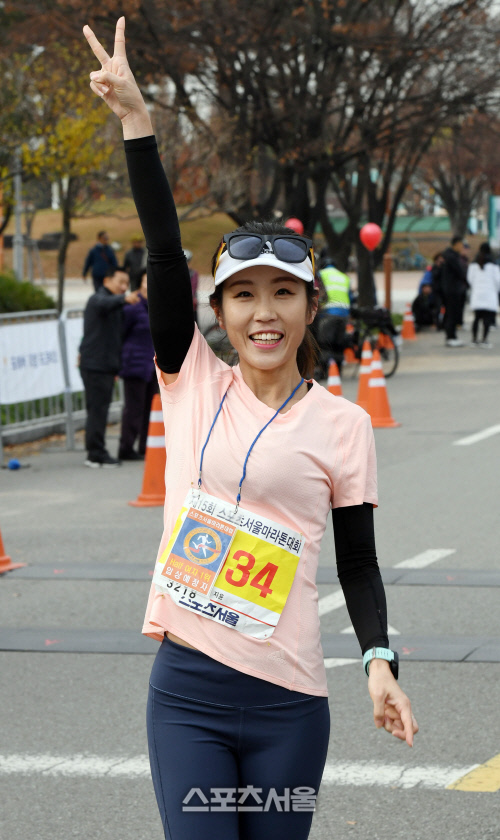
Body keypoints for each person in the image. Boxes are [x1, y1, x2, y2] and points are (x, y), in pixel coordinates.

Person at [84, 18, 418, 839]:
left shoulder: (343, 424)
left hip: (291, 704)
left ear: (311, 309)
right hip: (189, 695)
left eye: (282, 294)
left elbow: (361, 566)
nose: (263, 313)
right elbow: (164, 250)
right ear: (221, 312)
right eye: (243, 295)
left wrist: (379, 664)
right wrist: (138, 124)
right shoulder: (190, 378)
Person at [79, 265, 140, 466]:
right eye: (120, 282)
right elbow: (104, 303)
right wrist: (124, 298)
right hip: (95, 365)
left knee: (100, 409)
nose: (124, 287)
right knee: (98, 410)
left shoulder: (115, 305)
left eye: (126, 284)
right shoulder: (98, 299)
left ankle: (96, 452)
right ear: (106, 281)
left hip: (105, 365)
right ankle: (95, 454)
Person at [118, 269, 158, 459]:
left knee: (150, 408)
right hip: (134, 363)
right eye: (146, 279)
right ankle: (126, 447)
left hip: (153, 365)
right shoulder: (132, 307)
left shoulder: (157, 305)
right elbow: (120, 334)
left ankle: (145, 446)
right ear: (140, 283)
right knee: (134, 409)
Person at [316, 255, 351, 372]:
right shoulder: (344, 277)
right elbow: (350, 296)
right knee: (339, 344)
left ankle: (325, 371)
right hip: (344, 314)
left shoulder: (321, 274)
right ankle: (338, 370)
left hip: (328, 312)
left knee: (325, 343)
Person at [467, 242, 500, 349]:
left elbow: (470, 279)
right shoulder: (493, 265)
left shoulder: (473, 264)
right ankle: (484, 340)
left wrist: (476, 287)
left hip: (477, 294)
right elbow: (498, 281)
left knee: (476, 318)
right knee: (487, 319)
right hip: (489, 295)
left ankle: (474, 339)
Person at [441, 236, 468, 347]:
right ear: (456, 244)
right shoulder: (452, 257)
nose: (462, 247)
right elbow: (460, 272)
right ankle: (451, 337)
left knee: (450, 313)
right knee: (452, 314)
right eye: (461, 244)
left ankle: (451, 336)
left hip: (450, 289)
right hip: (452, 289)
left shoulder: (449, 255)